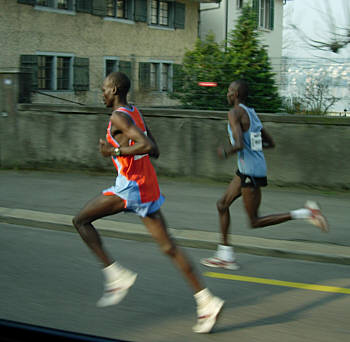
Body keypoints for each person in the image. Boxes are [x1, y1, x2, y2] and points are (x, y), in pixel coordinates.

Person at [72, 72, 223, 334]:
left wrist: (113, 151)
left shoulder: (119, 116)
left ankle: (116, 276)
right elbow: (155, 150)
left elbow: (145, 145)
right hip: (147, 186)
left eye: (105, 89)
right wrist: (130, 152)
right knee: (169, 247)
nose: (102, 93)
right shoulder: (135, 112)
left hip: (131, 187)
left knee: (80, 221)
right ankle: (206, 301)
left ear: (116, 89)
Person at [201, 80, 329, 271]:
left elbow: (238, 145)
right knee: (222, 205)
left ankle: (306, 213)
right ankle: (225, 255)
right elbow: (270, 142)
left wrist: (225, 152)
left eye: (229, 91)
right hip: (248, 168)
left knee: (255, 221)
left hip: (250, 171)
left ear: (235, 94)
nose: (227, 94)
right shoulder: (251, 113)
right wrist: (253, 151)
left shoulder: (234, 113)